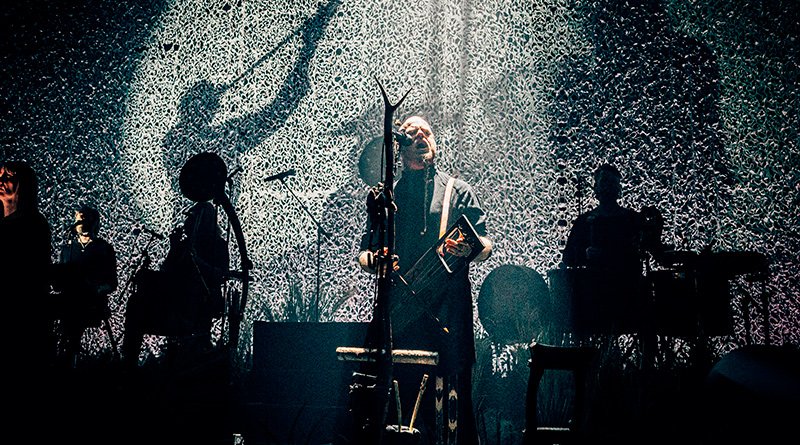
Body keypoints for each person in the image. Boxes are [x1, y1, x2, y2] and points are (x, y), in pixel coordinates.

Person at [357, 115, 492, 445]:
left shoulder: (458, 191)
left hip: (449, 314)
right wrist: (376, 262)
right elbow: (365, 254)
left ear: (434, 142)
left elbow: (486, 245)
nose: (421, 137)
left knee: (452, 404)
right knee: (401, 401)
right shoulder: (388, 196)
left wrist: (470, 249)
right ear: (401, 148)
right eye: (412, 133)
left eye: (426, 132)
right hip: (402, 315)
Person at [122, 199, 230, 370]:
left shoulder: (218, 245)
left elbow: (220, 275)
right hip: (171, 302)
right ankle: (128, 363)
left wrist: (197, 260)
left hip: (196, 304)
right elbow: (166, 271)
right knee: (135, 303)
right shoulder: (183, 245)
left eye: (193, 219)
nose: (188, 223)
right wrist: (174, 248)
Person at [559, 163, 648, 335]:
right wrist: (585, 254)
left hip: (626, 290)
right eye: (604, 182)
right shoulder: (584, 222)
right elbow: (568, 256)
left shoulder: (632, 220)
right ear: (596, 189)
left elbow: (646, 248)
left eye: (611, 182)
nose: (608, 187)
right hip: (596, 292)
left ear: (618, 188)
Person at [51, 204, 118, 368]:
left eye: (85, 218)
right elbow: (59, 280)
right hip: (68, 299)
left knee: (73, 314)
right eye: (79, 218)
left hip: (91, 303)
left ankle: (69, 360)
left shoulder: (104, 249)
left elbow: (112, 283)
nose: (81, 222)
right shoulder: (67, 249)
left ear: (94, 222)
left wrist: (96, 288)